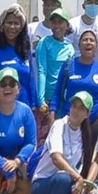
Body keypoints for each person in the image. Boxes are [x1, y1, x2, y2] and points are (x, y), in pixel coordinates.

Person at [30, 91, 94, 194]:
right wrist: (78, 178)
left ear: (87, 114)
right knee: (64, 178)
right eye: (74, 106)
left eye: (81, 108)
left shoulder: (85, 134)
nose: (76, 111)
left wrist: (85, 185)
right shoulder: (59, 125)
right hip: (42, 185)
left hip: (63, 183)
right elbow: (56, 158)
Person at [0, 4, 39, 129]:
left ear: (22, 27)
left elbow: (31, 79)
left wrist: (34, 105)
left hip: (23, 106)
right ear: (2, 25)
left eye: (16, 23)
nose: (12, 27)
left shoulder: (25, 50)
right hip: (0, 108)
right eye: (9, 23)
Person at [56, 29, 98, 132]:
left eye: (91, 40)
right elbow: (57, 92)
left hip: (93, 122)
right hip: (69, 120)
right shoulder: (69, 65)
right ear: (79, 45)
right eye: (85, 40)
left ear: (96, 46)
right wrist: (52, 115)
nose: (88, 42)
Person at [35, 8, 75, 142]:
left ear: (66, 25)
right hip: (47, 99)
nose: (57, 26)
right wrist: (41, 100)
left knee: (61, 139)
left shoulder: (70, 48)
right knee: (44, 140)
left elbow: (70, 76)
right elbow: (42, 70)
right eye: (54, 23)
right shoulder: (44, 43)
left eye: (60, 22)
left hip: (63, 100)